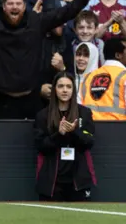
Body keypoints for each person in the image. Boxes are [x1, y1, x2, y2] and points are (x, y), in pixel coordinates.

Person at [34, 72, 96, 202]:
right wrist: (59, 134)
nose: (64, 90)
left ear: (73, 90)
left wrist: (75, 131)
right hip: (52, 182)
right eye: (60, 86)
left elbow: (89, 142)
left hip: (78, 181)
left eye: (68, 86)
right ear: (54, 89)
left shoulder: (84, 113)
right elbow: (40, 146)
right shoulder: (43, 115)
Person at [79, 38, 126, 120]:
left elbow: (79, 107)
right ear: (118, 55)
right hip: (117, 130)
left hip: (90, 129)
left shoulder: (88, 77)